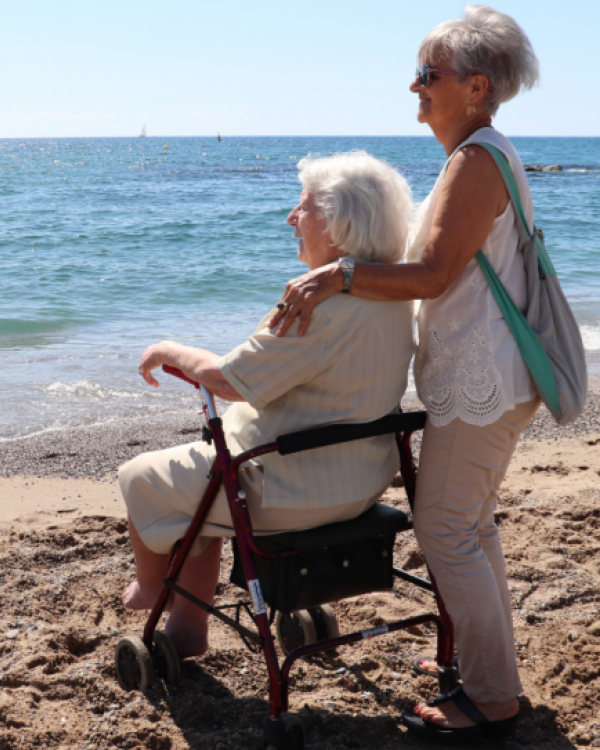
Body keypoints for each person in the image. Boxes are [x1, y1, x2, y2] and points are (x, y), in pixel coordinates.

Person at [270, 5, 541, 742]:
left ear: (476, 86)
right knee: (469, 527)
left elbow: (431, 273)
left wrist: (339, 277)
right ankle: (493, 674)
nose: (414, 86)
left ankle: (491, 697)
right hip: (489, 375)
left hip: (481, 378)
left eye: (430, 74)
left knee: (446, 530)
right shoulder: (481, 154)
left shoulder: (477, 160)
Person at [120, 151, 415, 660]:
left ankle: (153, 590)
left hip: (288, 491)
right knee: (202, 483)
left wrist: (170, 350)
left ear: (341, 226)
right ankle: (189, 628)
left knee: (141, 476)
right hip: (361, 484)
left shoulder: (316, 307)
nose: (291, 218)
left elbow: (228, 381)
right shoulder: (394, 298)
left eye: (304, 208)